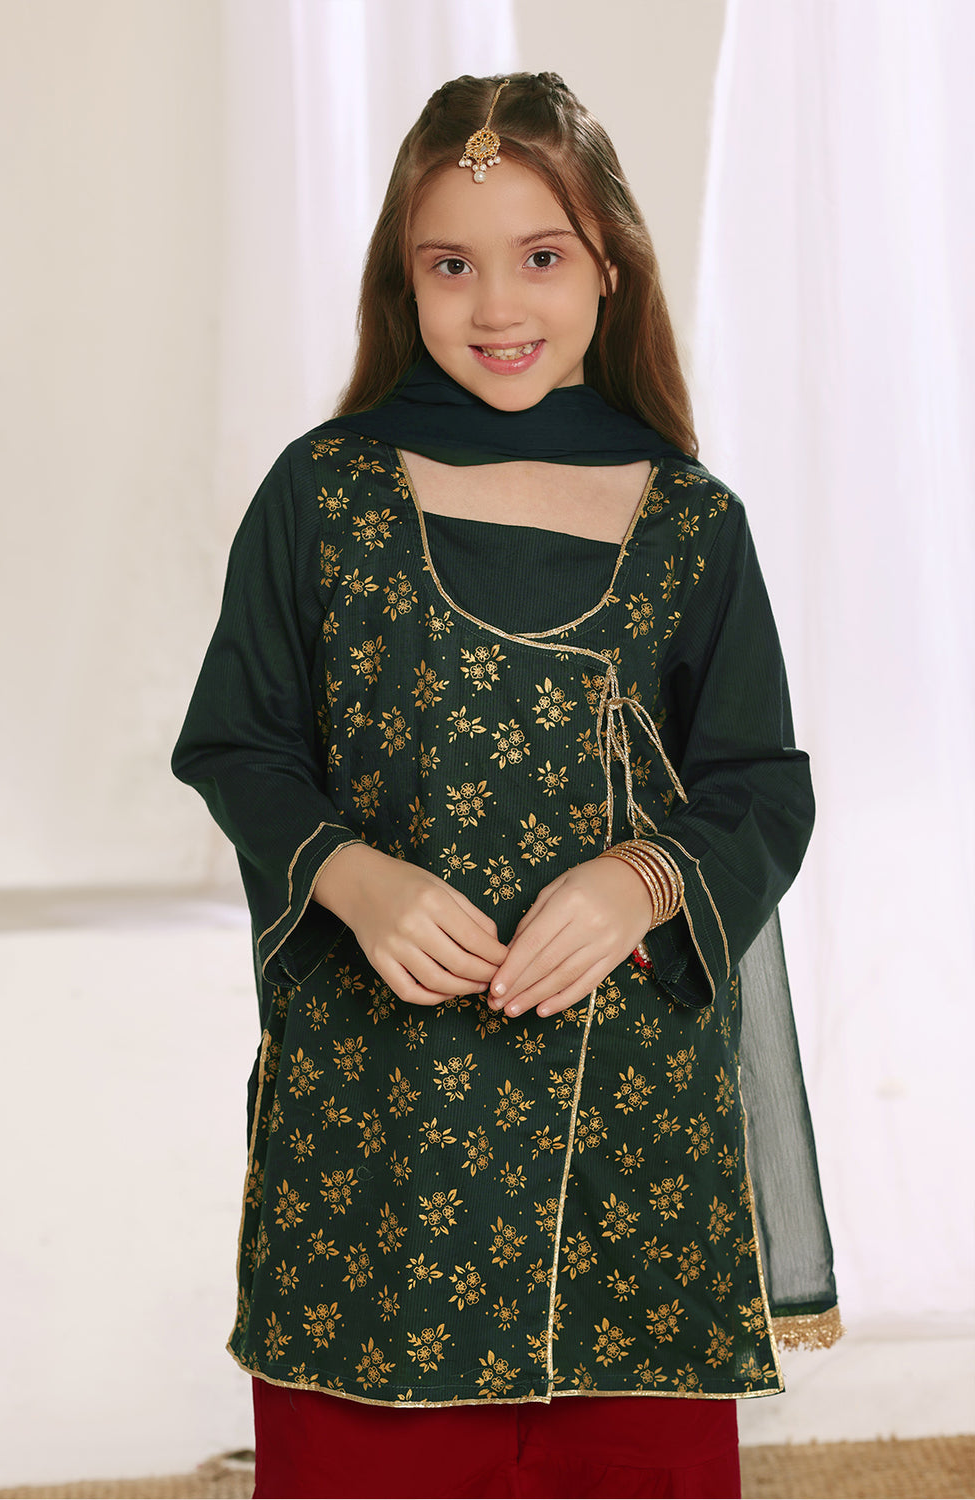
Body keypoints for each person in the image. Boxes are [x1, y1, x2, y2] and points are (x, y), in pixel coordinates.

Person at [173, 71, 841, 1500]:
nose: (496, 306)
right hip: (381, 1133)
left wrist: (642, 880)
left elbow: (758, 784)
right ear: (402, 280)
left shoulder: (691, 522)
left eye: (541, 256)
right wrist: (352, 875)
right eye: (450, 264)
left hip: (631, 1136)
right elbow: (239, 743)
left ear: (611, 268)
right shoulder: (323, 495)